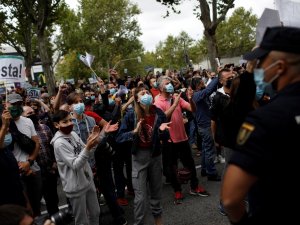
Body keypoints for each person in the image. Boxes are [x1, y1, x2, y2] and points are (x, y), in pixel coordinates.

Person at [221, 26, 300, 225]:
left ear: (280, 67)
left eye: (262, 62)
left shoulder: (266, 119)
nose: (259, 68)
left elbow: (230, 198)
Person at [116, 86, 171, 225]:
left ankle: (158, 220)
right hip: (139, 158)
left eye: (147, 92)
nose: (146, 95)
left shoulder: (159, 113)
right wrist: (133, 132)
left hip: (155, 156)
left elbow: (165, 136)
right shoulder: (131, 115)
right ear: (137, 99)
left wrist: (162, 131)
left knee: (156, 193)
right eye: (142, 93)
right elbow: (119, 137)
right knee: (140, 198)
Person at [51, 110, 105, 225]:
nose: (70, 124)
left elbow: (88, 153)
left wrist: (95, 140)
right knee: (82, 220)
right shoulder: (59, 143)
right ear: (56, 125)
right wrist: (88, 147)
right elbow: (75, 164)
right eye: (65, 122)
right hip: (75, 187)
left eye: (70, 120)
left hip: (87, 181)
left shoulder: (74, 134)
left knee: (95, 213)